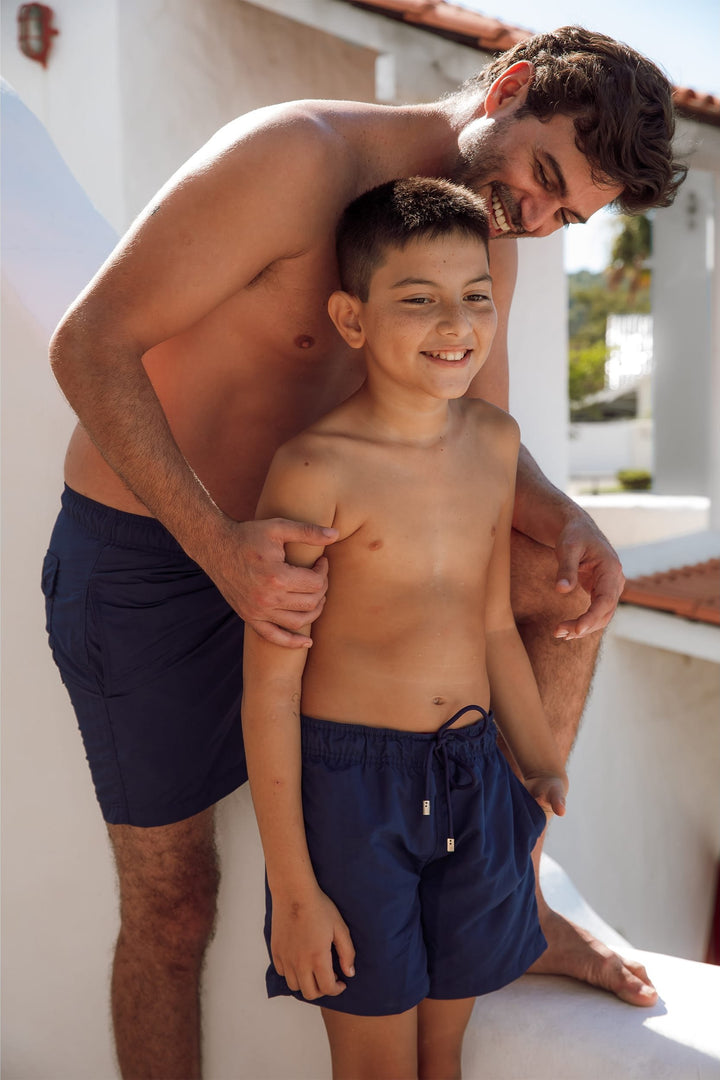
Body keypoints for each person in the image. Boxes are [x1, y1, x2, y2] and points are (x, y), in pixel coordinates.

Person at [45, 25, 683, 1078]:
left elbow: (480, 449)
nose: (534, 217)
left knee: (557, 580)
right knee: (172, 907)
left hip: (315, 557)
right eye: (542, 176)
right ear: (511, 88)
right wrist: (219, 546)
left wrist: (571, 523)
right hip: (151, 554)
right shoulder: (295, 158)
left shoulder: (487, 238)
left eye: (564, 216)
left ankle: (507, 892)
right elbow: (88, 342)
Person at [242, 176, 570, 1079]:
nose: (455, 323)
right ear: (352, 319)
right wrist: (294, 890)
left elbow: (494, 624)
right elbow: (270, 685)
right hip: (354, 792)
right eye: (418, 301)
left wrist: (538, 762)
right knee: (377, 1066)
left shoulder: (495, 444)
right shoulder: (314, 468)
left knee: (442, 1055)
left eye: (476, 298)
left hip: (475, 771)